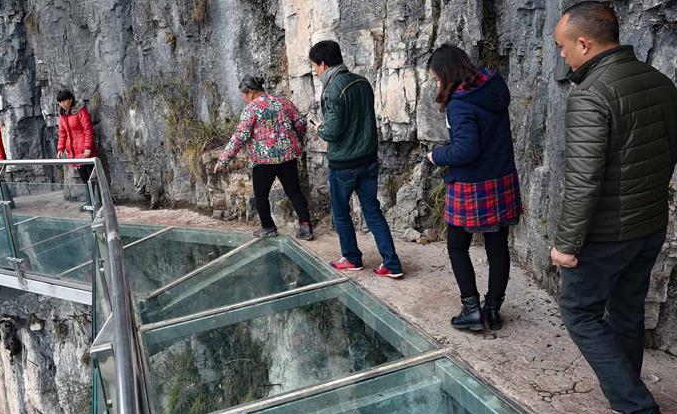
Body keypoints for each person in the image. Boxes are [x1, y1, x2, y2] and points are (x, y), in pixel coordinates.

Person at [551, 1, 677, 414]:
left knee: (580, 313)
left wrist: (566, 245)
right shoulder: (659, 82)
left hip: (607, 232)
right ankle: (628, 394)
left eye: (563, 48)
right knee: (626, 310)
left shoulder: (591, 94)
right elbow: (669, 154)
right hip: (649, 223)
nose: (563, 57)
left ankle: (639, 413)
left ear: (584, 43)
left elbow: (584, 179)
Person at [426, 45, 522, 331]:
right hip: (501, 179)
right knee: (497, 248)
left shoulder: (461, 102)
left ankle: (472, 310)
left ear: (447, 73)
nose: (437, 84)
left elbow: (465, 150)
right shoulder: (491, 87)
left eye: (436, 78)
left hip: (472, 185)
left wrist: (437, 156)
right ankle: (492, 310)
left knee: (457, 246)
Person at [309, 39, 403, 278]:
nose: (316, 72)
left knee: (341, 213)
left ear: (323, 63)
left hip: (344, 164)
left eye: (315, 67)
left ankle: (351, 258)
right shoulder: (362, 82)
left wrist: (318, 127)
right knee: (373, 211)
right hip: (368, 159)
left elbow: (333, 131)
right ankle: (391, 264)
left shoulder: (331, 90)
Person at [213, 76, 314, 239]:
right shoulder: (282, 101)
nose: (244, 99)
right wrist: (293, 136)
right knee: (294, 191)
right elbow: (301, 122)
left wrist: (223, 160)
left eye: (244, 95)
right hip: (288, 156)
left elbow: (241, 136)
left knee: (261, 195)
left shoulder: (251, 109)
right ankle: (306, 227)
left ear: (251, 92)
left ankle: (268, 228)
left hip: (263, 160)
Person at [56, 89, 99, 210]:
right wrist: (60, 149)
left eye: (65, 100)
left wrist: (87, 147)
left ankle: (97, 201)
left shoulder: (80, 111)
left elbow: (88, 129)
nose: (63, 104)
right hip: (74, 153)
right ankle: (90, 201)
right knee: (84, 178)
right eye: (60, 102)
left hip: (85, 151)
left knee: (92, 177)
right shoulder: (63, 115)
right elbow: (62, 133)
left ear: (70, 99)